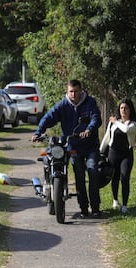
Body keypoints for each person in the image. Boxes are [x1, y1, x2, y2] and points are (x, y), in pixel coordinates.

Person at [31, 79, 103, 217]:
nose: (73, 94)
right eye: (71, 91)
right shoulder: (63, 105)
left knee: (93, 171)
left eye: (76, 91)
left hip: (90, 146)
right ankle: (83, 208)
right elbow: (48, 117)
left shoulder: (90, 103)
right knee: (79, 176)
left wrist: (89, 129)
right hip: (73, 146)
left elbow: (96, 118)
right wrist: (38, 132)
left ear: (81, 90)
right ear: (67, 91)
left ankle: (95, 208)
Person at [99, 98, 136, 214]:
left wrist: (116, 122)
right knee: (115, 177)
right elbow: (107, 137)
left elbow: (126, 130)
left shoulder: (133, 124)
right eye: (121, 108)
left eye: (126, 108)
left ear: (130, 110)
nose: (123, 110)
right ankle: (115, 200)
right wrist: (101, 152)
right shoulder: (113, 123)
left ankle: (125, 205)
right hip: (113, 153)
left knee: (125, 176)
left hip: (126, 154)